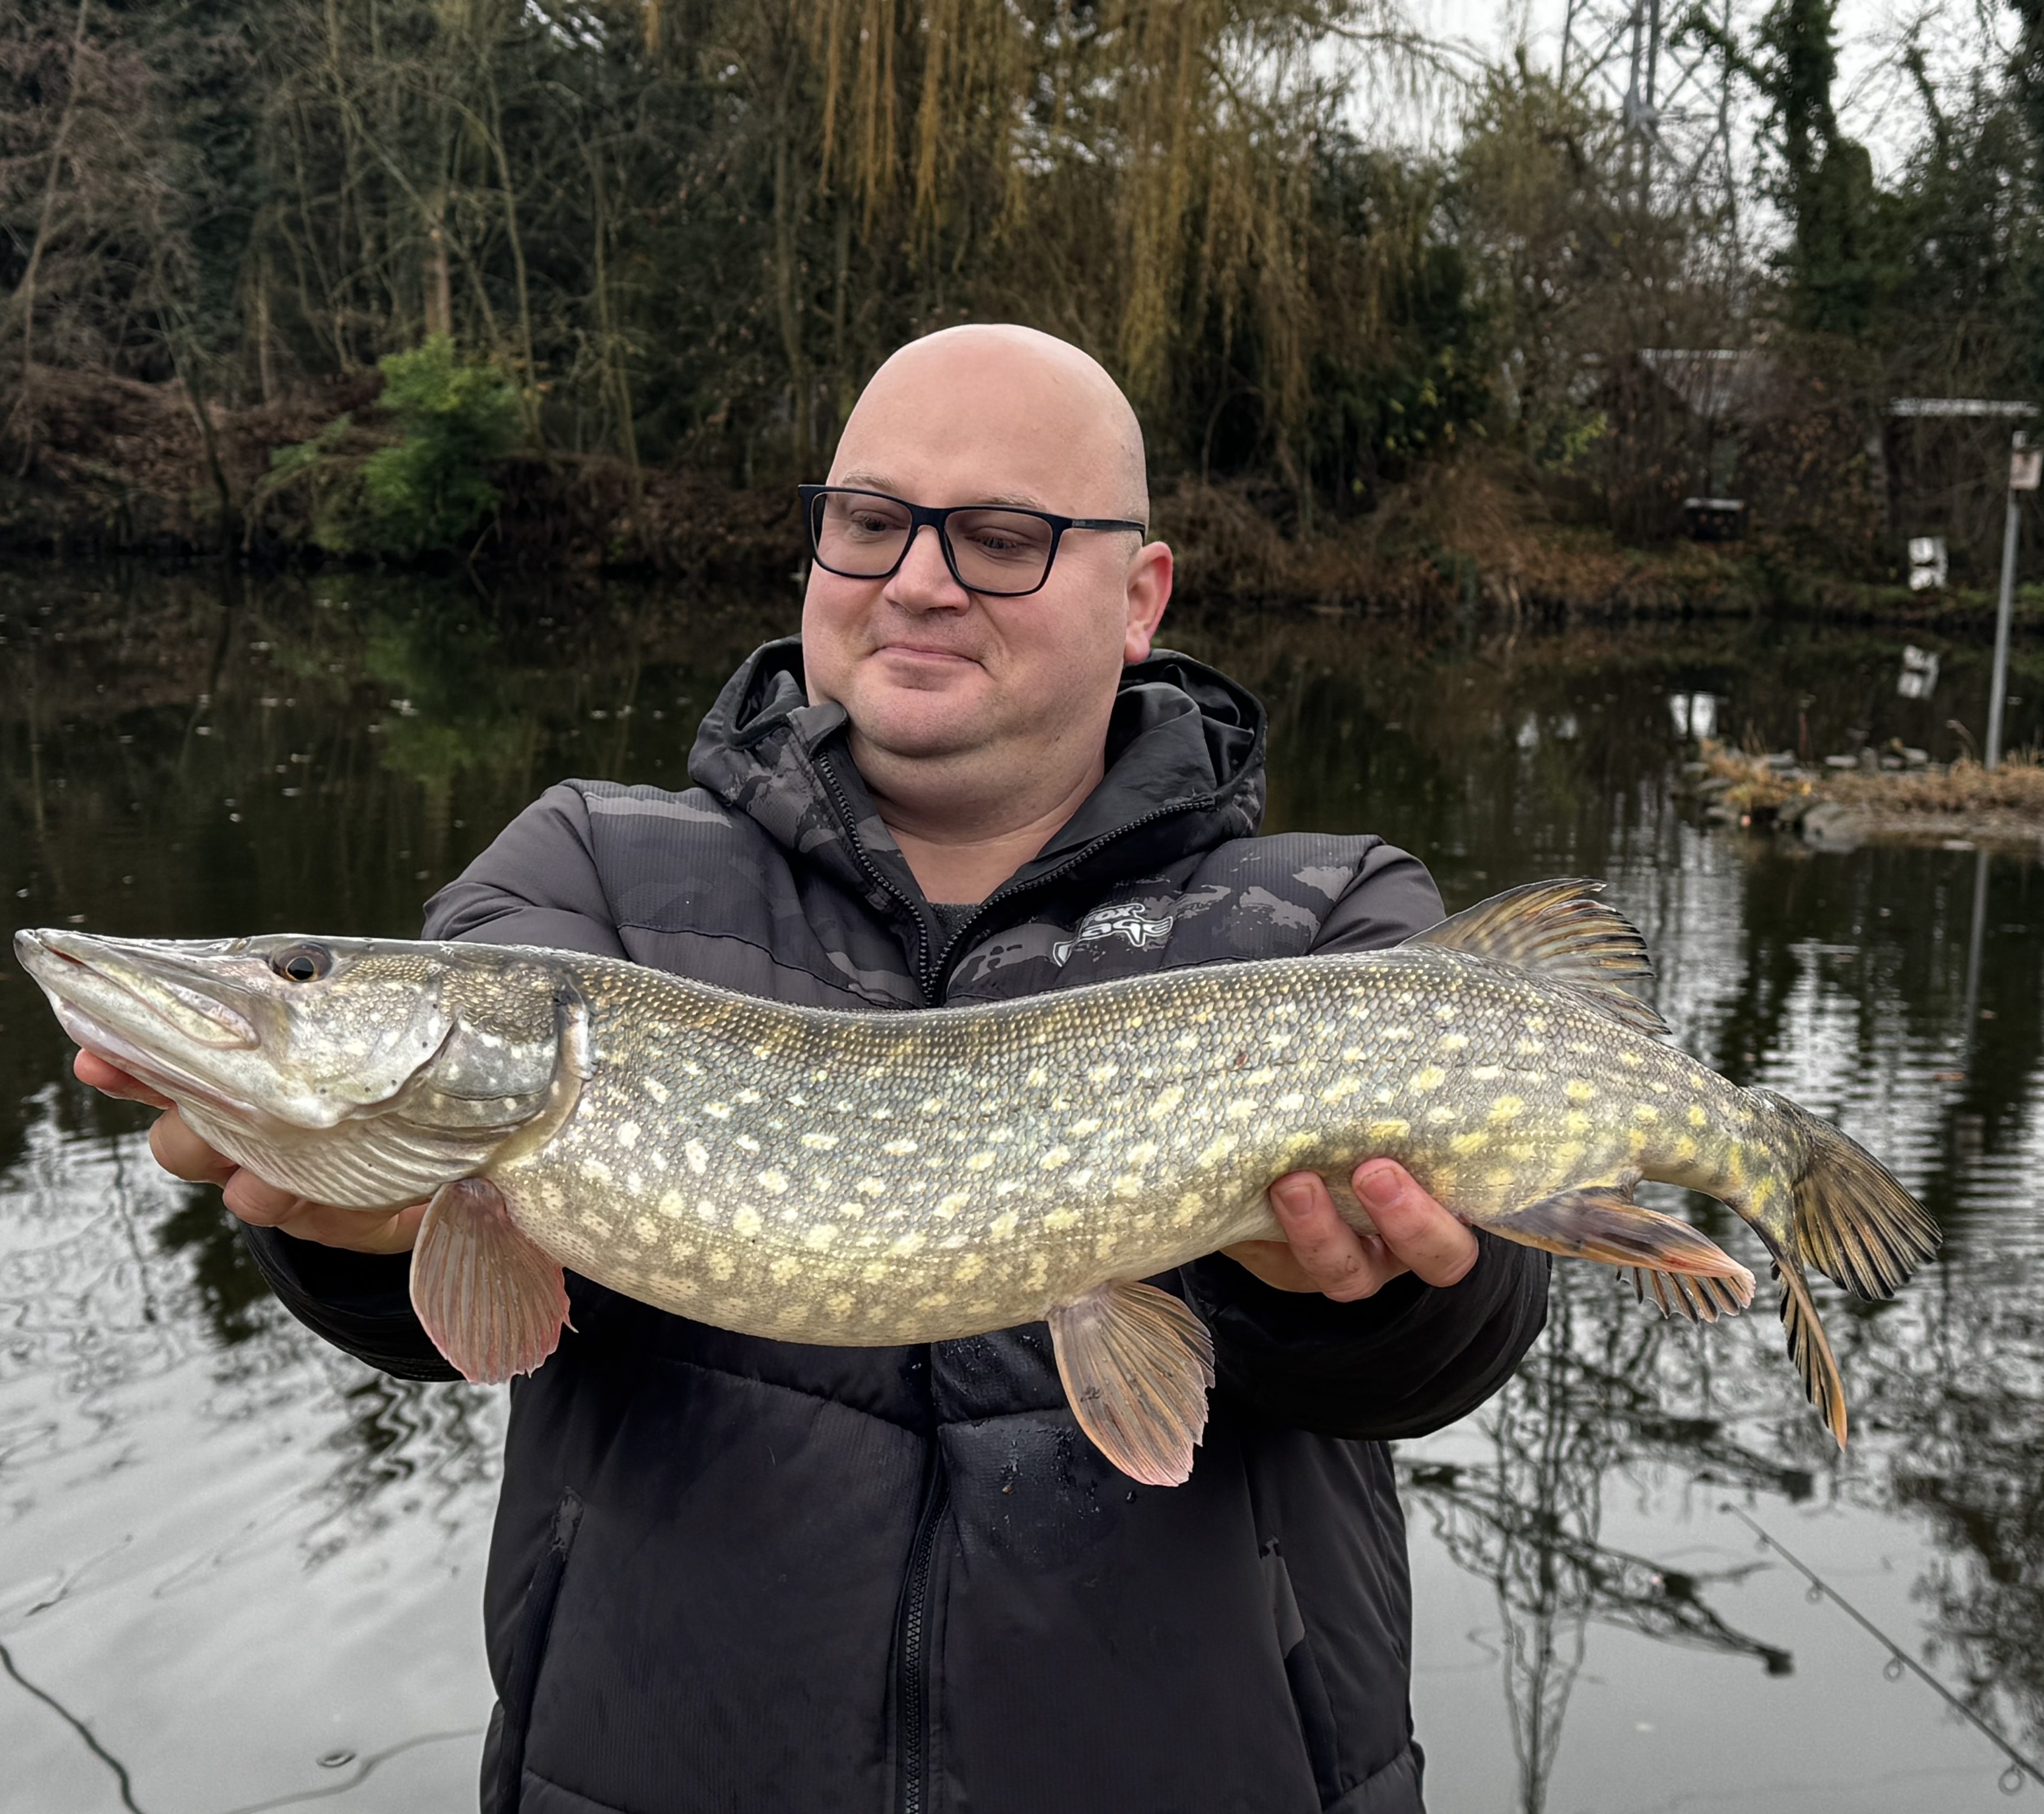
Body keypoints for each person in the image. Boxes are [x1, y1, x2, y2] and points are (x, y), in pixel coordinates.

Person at [75, 324, 1548, 1814]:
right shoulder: (588, 872)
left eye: (1000, 540)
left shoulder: (1322, 918)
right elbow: (461, 1297)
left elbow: (1460, 1334)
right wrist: (341, 1229)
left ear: (1138, 598)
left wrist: (1342, 1294)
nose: (917, 582)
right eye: (869, 522)